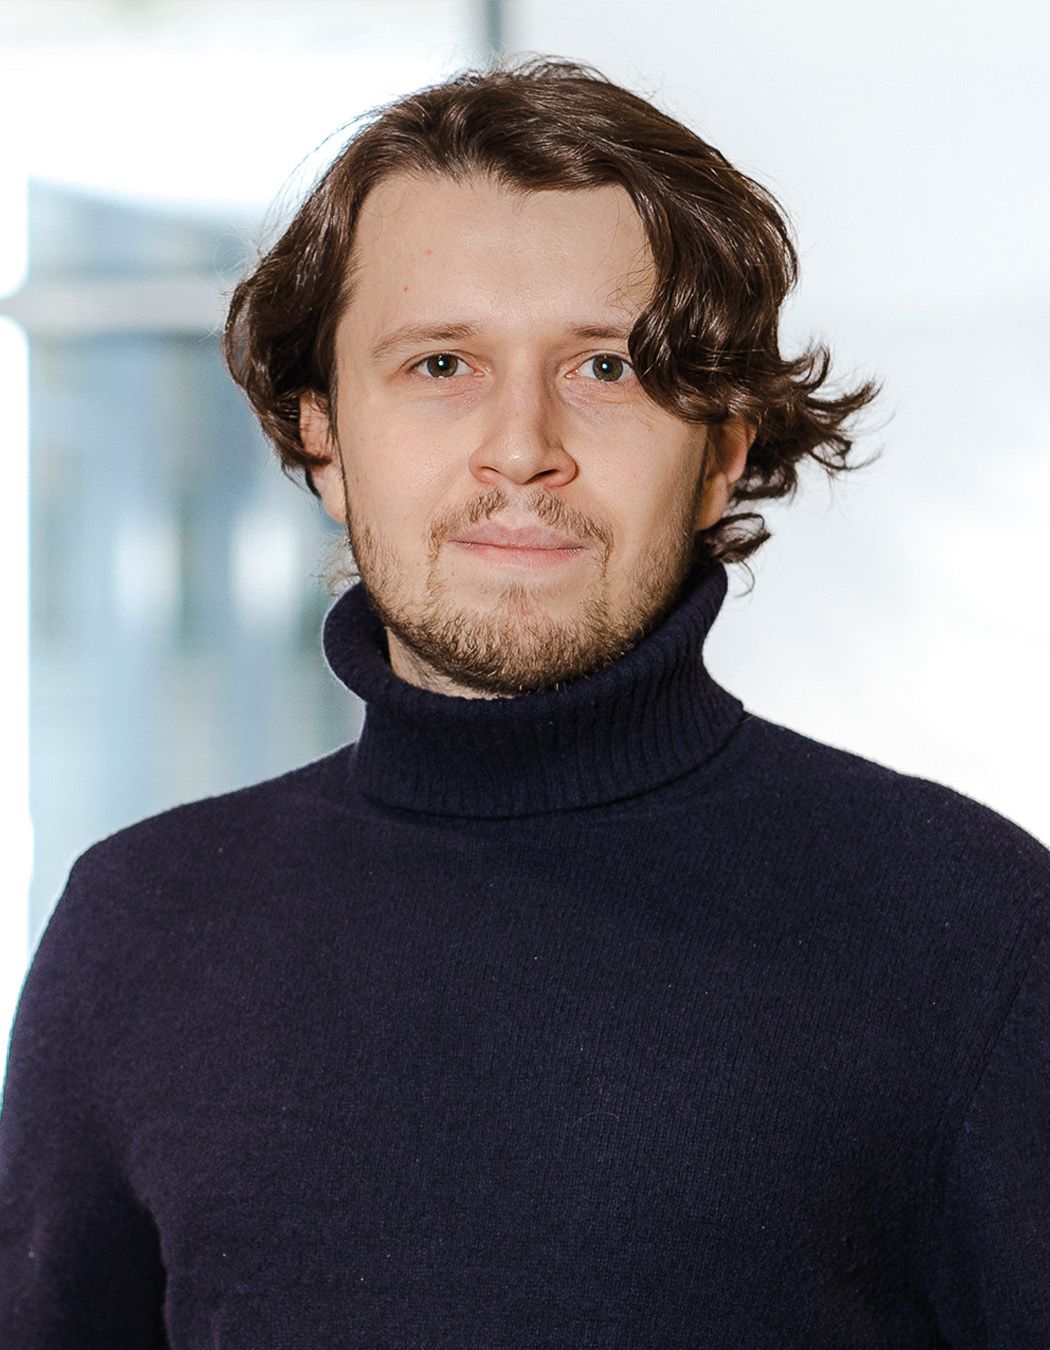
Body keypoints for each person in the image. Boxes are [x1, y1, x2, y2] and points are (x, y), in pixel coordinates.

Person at [1, 57, 1047, 1349]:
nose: (519, 448)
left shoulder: (973, 930)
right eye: (441, 362)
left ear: (721, 449)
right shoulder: (138, 929)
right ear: (323, 436)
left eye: (605, 367)